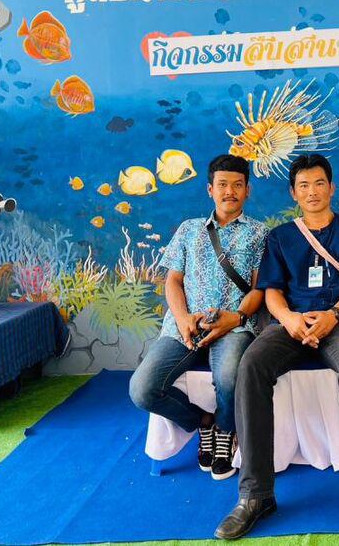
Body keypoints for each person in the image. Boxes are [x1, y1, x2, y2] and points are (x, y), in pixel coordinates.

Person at [215, 154, 339, 546]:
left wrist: (334, 314)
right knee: (251, 364)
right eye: (303, 186)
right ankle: (255, 495)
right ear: (293, 192)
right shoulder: (281, 237)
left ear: (332, 188)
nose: (312, 192)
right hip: (291, 324)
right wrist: (290, 320)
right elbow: (271, 292)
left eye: (319, 183)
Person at [129, 154, 267, 480]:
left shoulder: (260, 233)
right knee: (143, 389)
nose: (229, 192)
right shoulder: (189, 230)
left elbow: (260, 289)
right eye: (223, 185)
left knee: (230, 379)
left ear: (248, 190)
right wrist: (182, 318)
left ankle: (226, 429)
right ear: (210, 189)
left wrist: (237, 317)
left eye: (237, 185)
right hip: (185, 327)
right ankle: (202, 421)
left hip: (233, 326)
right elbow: (173, 281)